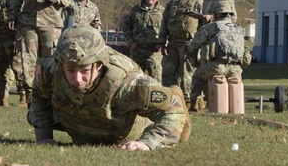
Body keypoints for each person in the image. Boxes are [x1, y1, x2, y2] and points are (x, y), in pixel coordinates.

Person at [28, 25, 190, 150]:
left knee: (178, 128)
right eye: (70, 70)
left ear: (98, 66)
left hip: (125, 127)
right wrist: (44, 136)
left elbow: (172, 109)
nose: (77, 79)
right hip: (81, 124)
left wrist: (148, 143)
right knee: (33, 115)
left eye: (84, 71)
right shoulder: (51, 69)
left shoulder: (125, 81)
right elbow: (39, 98)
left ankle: (173, 92)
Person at [8, 0, 73, 106]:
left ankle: (51, 93)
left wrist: (58, 0)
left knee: (50, 59)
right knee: (28, 59)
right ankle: (30, 94)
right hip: (28, 23)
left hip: (50, 24)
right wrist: (12, 15)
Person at [187, 0, 251, 107]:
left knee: (197, 77)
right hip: (235, 69)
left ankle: (196, 104)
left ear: (217, 13)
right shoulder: (238, 29)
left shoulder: (211, 27)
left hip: (216, 67)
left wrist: (195, 63)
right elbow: (245, 53)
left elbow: (193, 47)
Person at [158, 0, 203, 103]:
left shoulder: (199, 3)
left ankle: (187, 101)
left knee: (186, 75)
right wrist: (162, 42)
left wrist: (197, 46)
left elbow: (203, 27)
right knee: (167, 71)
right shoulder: (172, 3)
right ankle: (168, 99)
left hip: (188, 44)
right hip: (172, 43)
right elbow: (164, 22)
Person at [122, 0, 165, 79]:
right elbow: (126, 27)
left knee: (155, 81)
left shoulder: (162, 12)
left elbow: (167, 30)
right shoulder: (135, 10)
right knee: (133, 79)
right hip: (137, 50)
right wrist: (130, 43)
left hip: (154, 53)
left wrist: (162, 44)